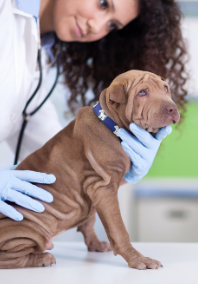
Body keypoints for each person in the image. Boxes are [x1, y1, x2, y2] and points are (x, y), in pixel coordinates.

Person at [0, 0, 188, 221]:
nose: (97, 27)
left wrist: (122, 167)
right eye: (102, 3)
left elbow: (62, 159)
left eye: (112, 25)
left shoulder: (38, 57)